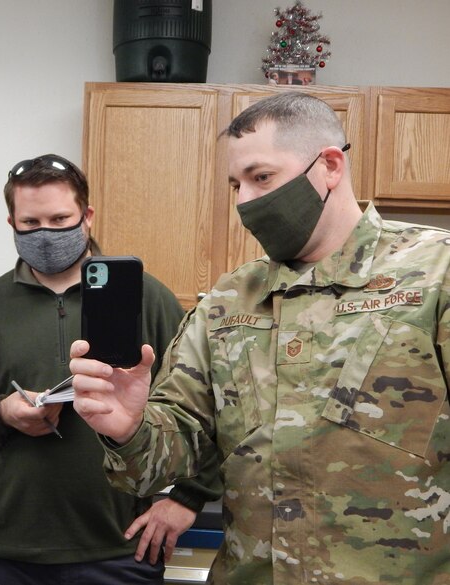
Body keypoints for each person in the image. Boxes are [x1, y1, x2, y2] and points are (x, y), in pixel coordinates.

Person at [69, 91, 450, 585]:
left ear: (330, 166)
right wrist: (129, 428)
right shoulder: (228, 302)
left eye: (261, 177)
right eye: (236, 184)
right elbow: (163, 460)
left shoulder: (435, 273)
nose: (244, 200)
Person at [0, 154, 222, 584]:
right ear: (11, 224)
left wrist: (189, 498)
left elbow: (209, 405)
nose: (45, 233)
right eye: (30, 223)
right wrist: (1, 410)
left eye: (59, 219)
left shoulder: (146, 297)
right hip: (6, 547)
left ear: (87, 217)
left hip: (119, 547)